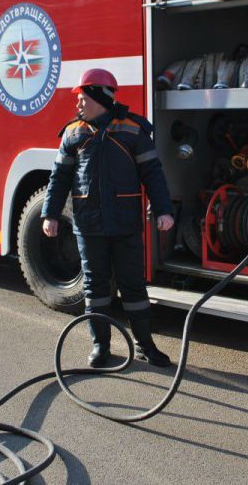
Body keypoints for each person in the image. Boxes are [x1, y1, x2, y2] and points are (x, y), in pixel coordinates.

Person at [42, 68, 176, 368]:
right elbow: (59, 179)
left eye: (83, 97)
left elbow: (153, 174)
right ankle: (101, 347)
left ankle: (144, 346)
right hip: (88, 226)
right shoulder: (73, 133)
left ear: (99, 97)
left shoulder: (133, 130)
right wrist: (50, 214)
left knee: (133, 286)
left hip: (125, 224)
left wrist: (164, 210)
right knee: (95, 288)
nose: (78, 104)